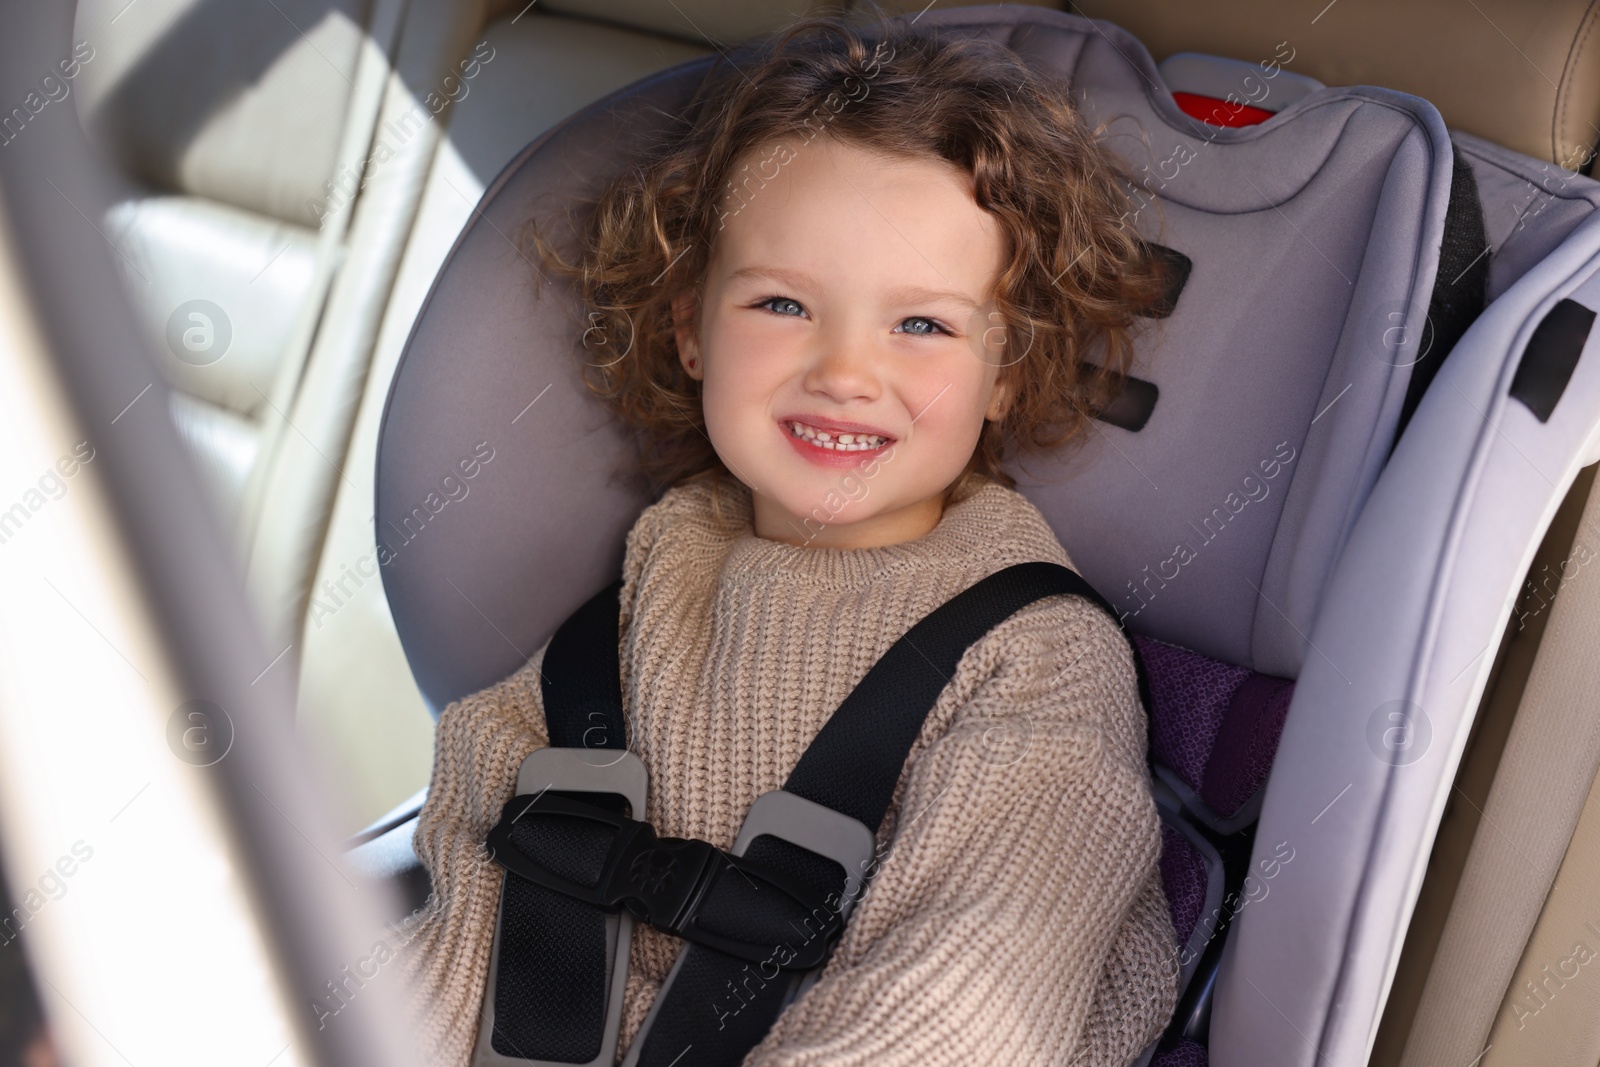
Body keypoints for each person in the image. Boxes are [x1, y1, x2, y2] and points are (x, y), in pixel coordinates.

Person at [399, 13, 1181, 1066]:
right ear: (690, 328)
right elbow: (485, 863)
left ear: (1006, 368)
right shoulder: (650, 581)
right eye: (781, 302)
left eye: (922, 324)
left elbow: (967, 1007)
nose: (845, 371)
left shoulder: (1034, 658)